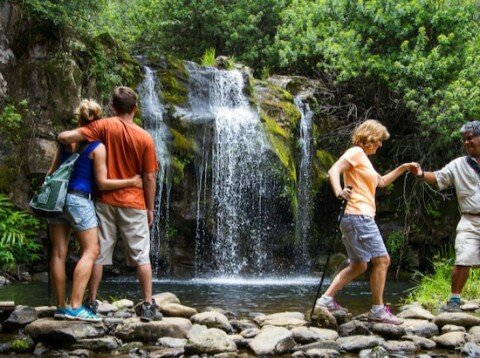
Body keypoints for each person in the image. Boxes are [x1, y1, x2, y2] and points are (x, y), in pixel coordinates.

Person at [58, 86, 160, 322]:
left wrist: (62, 139)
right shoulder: (145, 137)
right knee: (141, 256)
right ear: (135, 108)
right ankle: (147, 304)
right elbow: (150, 177)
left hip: (103, 202)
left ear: (113, 107)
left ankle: (91, 301)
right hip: (134, 203)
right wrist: (150, 207)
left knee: (99, 255)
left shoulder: (102, 126)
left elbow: (70, 137)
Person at [316, 119, 417, 325]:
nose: (381, 145)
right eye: (380, 140)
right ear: (370, 138)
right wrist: (339, 191)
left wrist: (404, 167)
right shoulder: (355, 152)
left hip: (354, 218)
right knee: (382, 260)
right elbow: (334, 170)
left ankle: (325, 300)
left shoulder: (363, 159)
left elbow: (381, 182)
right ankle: (378, 310)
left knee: (359, 265)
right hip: (358, 216)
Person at [412, 121, 480, 312]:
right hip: (470, 219)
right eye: (464, 140)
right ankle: (455, 300)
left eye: (470, 138)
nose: (467, 143)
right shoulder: (459, 165)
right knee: (463, 258)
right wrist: (421, 174)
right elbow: (439, 177)